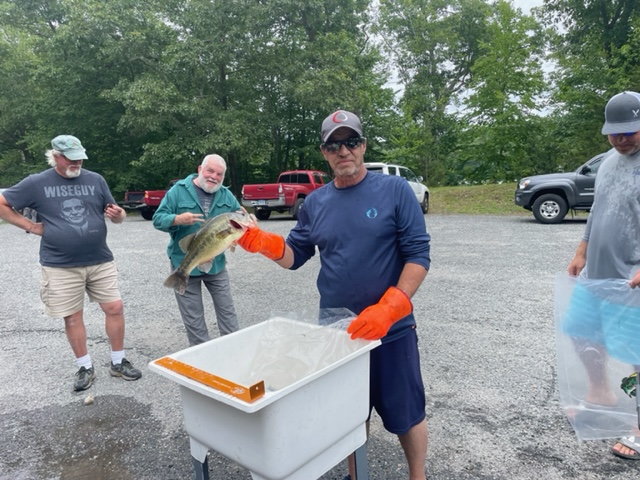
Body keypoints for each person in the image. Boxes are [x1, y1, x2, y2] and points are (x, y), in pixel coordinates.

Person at [237, 110, 431, 480]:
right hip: (339, 332)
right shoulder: (315, 203)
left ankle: (418, 475)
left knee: (407, 414)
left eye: (351, 142)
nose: (344, 151)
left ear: (363, 146)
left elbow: (418, 255)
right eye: (334, 145)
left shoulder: (395, 191)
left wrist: (392, 306)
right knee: (349, 414)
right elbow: (295, 255)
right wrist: (264, 243)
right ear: (324, 153)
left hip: (392, 329)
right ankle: (357, 476)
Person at [0, 135, 142, 392]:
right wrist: (30, 226)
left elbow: (118, 216)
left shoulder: (96, 180)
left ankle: (118, 361)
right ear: (55, 156)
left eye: (80, 158)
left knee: (115, 307)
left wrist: (119, 214)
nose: (77, 162)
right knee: (73, 316)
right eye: (70, 158)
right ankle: (85, 366)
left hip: (99, 258)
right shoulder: (36, 182)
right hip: (60, 264)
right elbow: (3, 203)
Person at [566, 91, 640, 460]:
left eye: (630, 131)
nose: (621, 139)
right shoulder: (609, 162)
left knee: (636, 351)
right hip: (598, 272)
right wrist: (582, 250)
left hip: (632, 277)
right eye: (615, 132)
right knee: (580, 329)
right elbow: (598, 208)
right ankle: (600, 393)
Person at [152, 154, 241, 346]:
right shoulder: (177, 191)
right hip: (184, 262)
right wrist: (177, 219)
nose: (214, 177)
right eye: (210, 171)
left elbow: (239, 214)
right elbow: (158, 219)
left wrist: (248, 220)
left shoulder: (226, 194)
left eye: (219, 174)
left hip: (216, 265)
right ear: (200, 169)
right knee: (194, 320)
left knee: (228, 312)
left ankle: (233, 349)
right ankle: (202, 355)